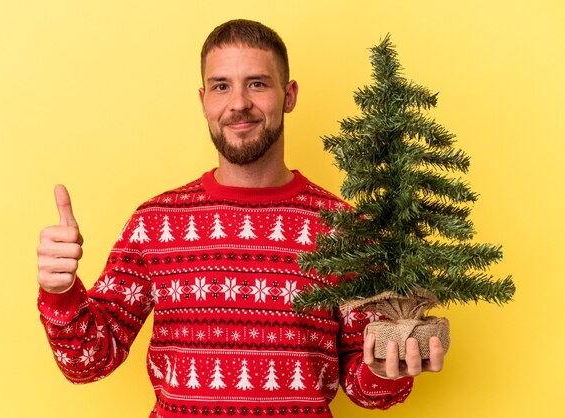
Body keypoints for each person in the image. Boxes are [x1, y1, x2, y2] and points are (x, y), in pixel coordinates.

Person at [36, 19, 445, 417]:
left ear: (289, 95)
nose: (238, 103)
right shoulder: (154, 223)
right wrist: (61, 291)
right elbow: (88, 362)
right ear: (203, 101)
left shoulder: (343, 228)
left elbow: (366, 390)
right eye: (221, 86)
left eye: (257, 83)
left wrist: (387, 372)